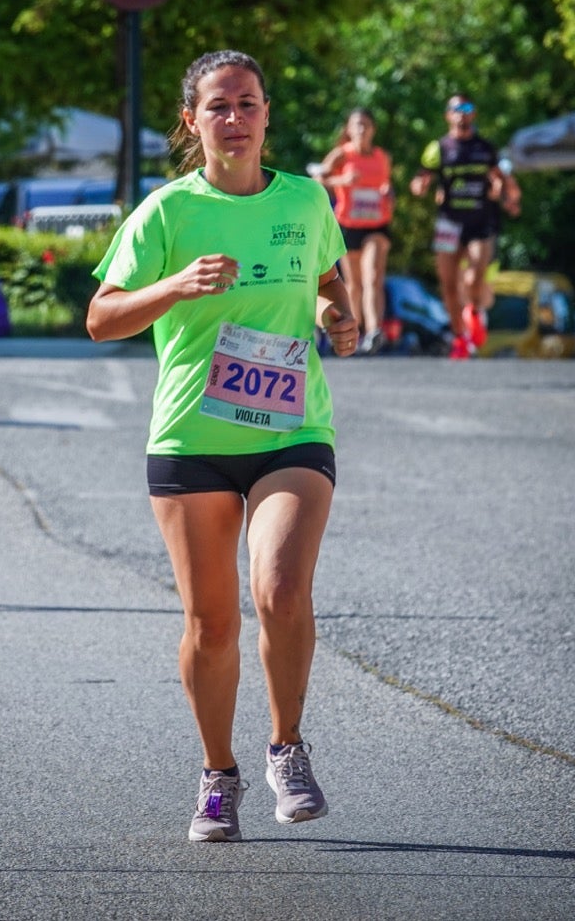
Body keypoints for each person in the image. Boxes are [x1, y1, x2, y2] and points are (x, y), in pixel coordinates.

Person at [86, 50, 358, 842]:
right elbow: (102, 318)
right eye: (218, 107)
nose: (234, 119)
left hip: (291, 431)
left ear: (268, 114)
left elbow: (335, 287)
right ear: (192, 121)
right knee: (212, 624)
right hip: (190, 439)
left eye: (247, 104)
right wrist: (175, 286)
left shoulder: (307, 201)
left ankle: (286, 749)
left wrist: (341, 320)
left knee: (278, 590)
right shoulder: (167, 213)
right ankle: (217, 775)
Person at [408, 94, 521, 359]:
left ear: (474, 114)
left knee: (474, 275)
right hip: (449, 222)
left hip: (481, 221)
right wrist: (419, 186)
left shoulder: (485, 148)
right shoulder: (439, 148)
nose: (461, 113)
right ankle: (460, 338)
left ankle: (473, 312)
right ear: (448, 115)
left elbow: (500, 178)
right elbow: (421, 177)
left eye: (467, 108)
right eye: (456, 109)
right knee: (448, 284)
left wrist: (506, 197)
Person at [311, 109, 394, 355]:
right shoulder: (341, 155)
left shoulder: (381, 157)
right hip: (348, 226)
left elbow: (388, 187)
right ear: (348, 129)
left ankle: (374, 330)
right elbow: (316, 181)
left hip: (376, 225)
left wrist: (390, 194)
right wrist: (342, 182)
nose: (361, 130)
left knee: (373, 277)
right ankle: (354, 333)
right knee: (354, 284)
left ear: (373, 129)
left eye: (366, 125)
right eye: (356, 125)